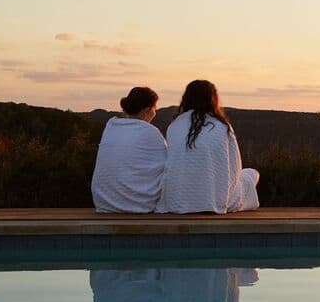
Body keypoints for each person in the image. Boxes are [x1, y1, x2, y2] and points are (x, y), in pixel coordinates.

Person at [159, 80, 260, 214]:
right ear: (213, 99)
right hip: (214, 200)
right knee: (252, 173)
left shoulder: (174, 126)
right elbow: (235, 168)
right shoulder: (222, 126)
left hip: (177, 200)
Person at [90, 86, 167, 214]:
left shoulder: (111, 126)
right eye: (155, 109)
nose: (155, 113)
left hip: (104, 203)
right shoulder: (150, 132)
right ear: (147, 110)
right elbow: (168, 165)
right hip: (137, 205)